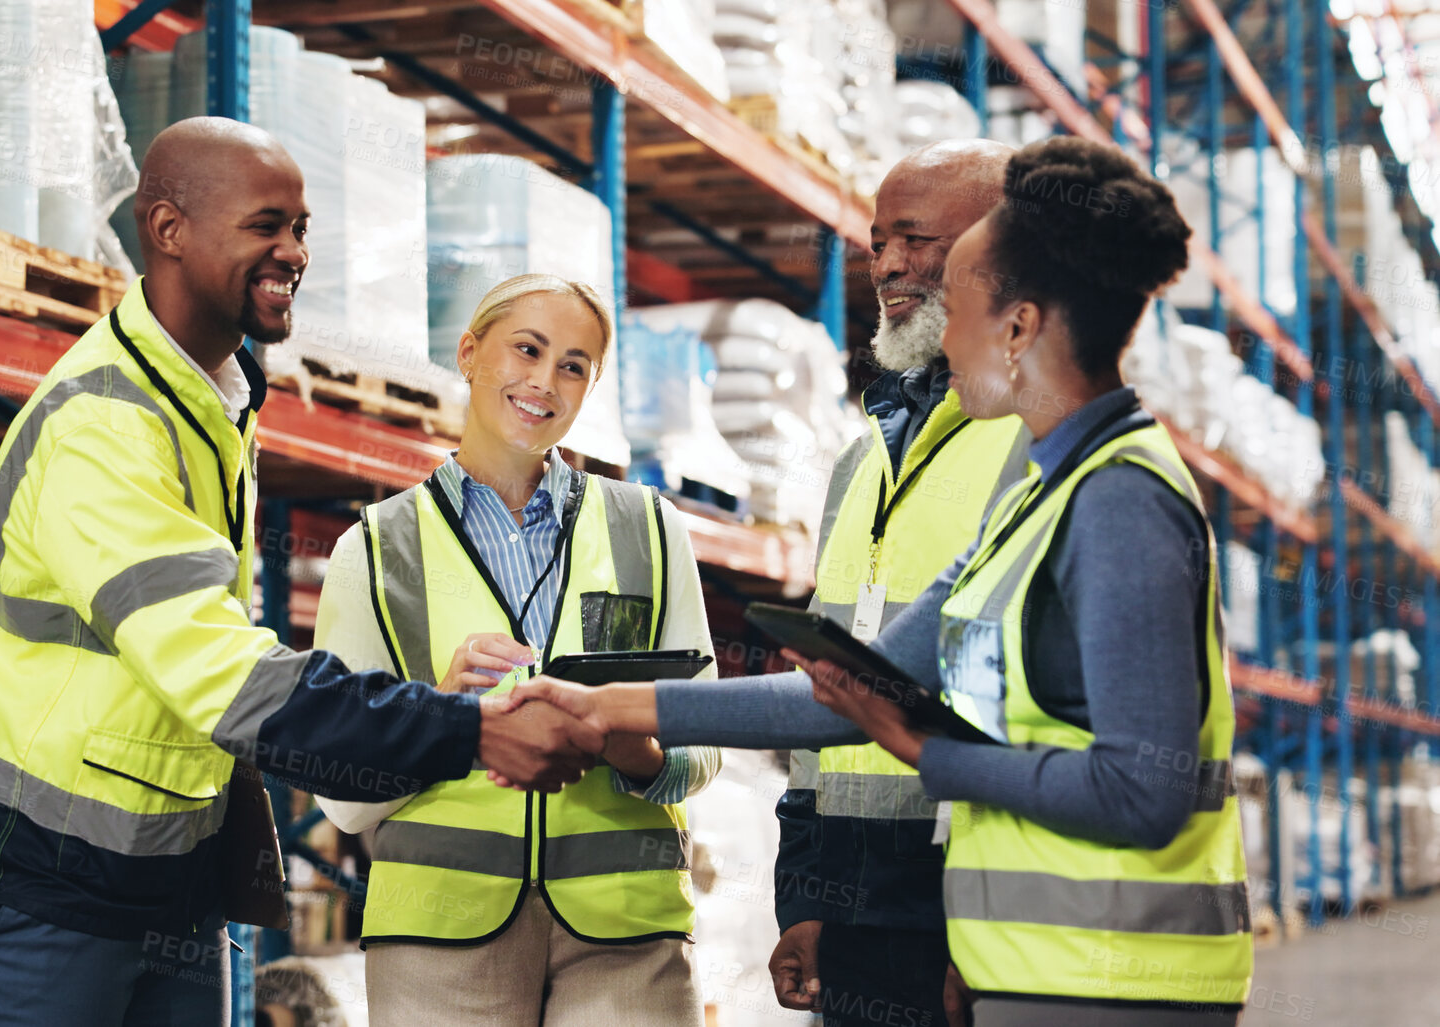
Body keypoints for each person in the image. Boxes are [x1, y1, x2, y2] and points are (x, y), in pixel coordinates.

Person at [507, 138, 1252, 1025]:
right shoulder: (1037, 498)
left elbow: (1144, 790)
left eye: (964, 306)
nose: (931, 328)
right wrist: (602, 705)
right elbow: (844, 692)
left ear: (1016, 326)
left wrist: (928, 754)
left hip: (1117, 981)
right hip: (1031, 966)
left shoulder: (1118, 497)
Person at [0, 119, 605, 1027]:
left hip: (160, 869)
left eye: (302, 228)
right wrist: (463, 727)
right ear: (168, 230)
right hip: (31, 874)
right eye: (265, 225)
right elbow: (227, 673)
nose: (294, 252)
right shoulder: (106, 425)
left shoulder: (210, 394)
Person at [310, 274, 722, 1027]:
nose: (543, 381)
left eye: (572, 365)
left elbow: (706, 744)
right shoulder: (372, 548)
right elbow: (341, 795)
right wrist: (439, 714)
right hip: (439, 930)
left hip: (625, 930)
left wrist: (641, 753)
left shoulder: (648, 529)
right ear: (469, 354)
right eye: (525, 349)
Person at [771, 139, 1030, 1027]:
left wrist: (988, 925)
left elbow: (1028, 709)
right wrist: (801, 896)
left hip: (958, 905)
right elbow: (823, 694)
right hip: (850, 907)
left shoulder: (1039, 446)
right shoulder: (865, 456)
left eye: (913, 239)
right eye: (877, 240)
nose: (884, 265)